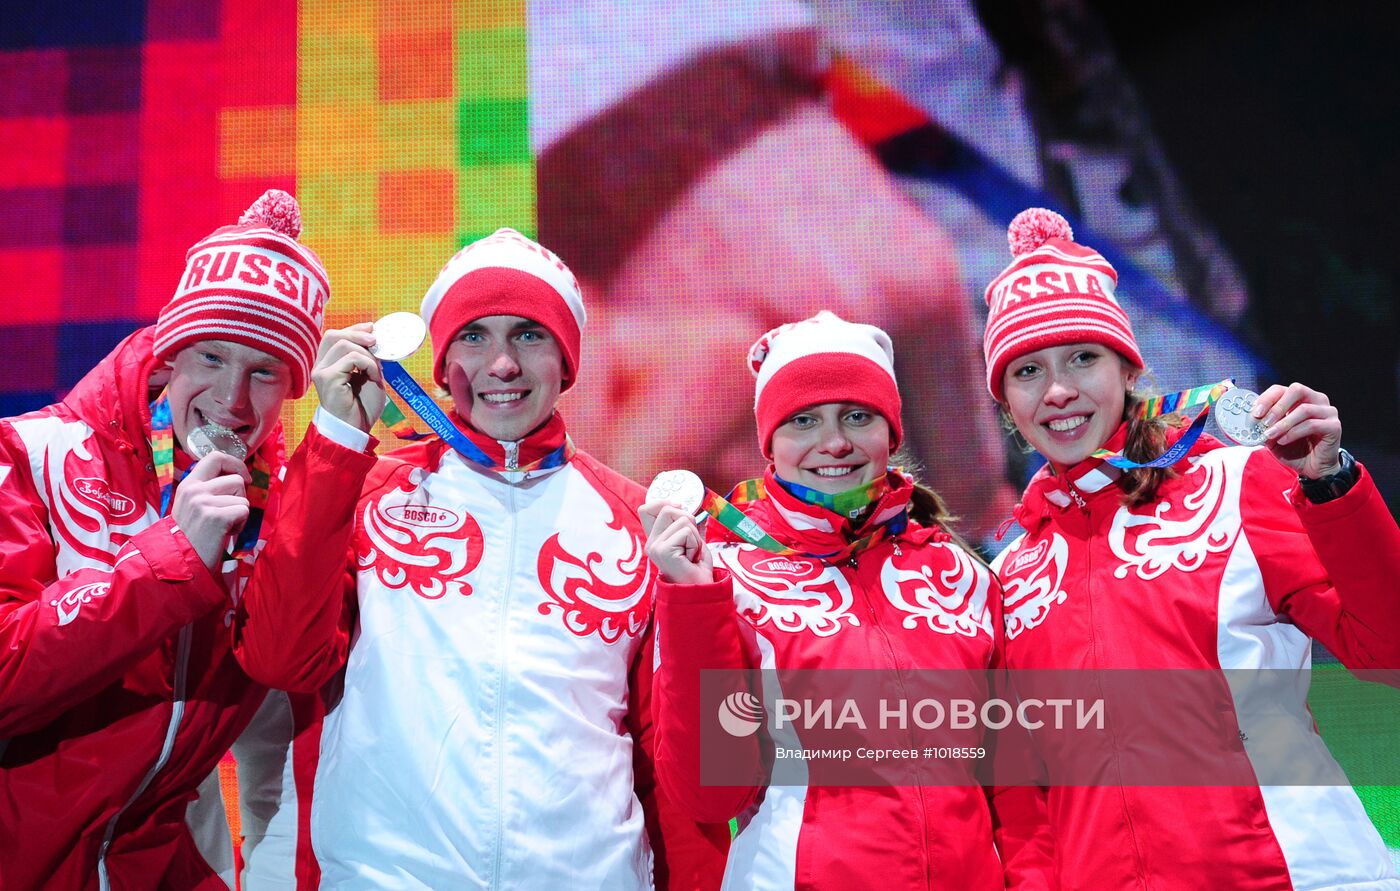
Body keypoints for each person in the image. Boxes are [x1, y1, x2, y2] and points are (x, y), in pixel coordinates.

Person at [233, 228, 724, 889]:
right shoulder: (360, 485)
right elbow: (279, 655)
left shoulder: (638, 522)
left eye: (528, 334)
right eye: (474, 336)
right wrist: (335, 439)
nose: (501, 364)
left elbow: (670, 764)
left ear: (566, 359)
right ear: (439, 362)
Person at [983, 207, 1400, 889]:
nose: (1057, 390)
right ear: (1007, 402)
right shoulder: (1010, 573)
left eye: (1082, 357)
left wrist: (1333, 481)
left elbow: (1390, 649)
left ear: (1127, 369)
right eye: (1026, 371)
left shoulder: (1240, 483)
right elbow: (1025, 803)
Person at [642, 311, 1051, 889]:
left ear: (891, 431)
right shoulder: (722, 578)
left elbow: (1012, 784)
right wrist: (691, 605)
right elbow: (710, 795)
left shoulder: (962, 575)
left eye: (857, 416)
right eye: (803, 420)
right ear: (770, 443)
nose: (834, 443)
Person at [0, 190, 328, 888]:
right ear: (169, 354)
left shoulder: (275, 521)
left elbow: (282, 742)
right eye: (210, 356)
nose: (233, 400)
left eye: (265, 370)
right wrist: (173, 557)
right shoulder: (32, 456)